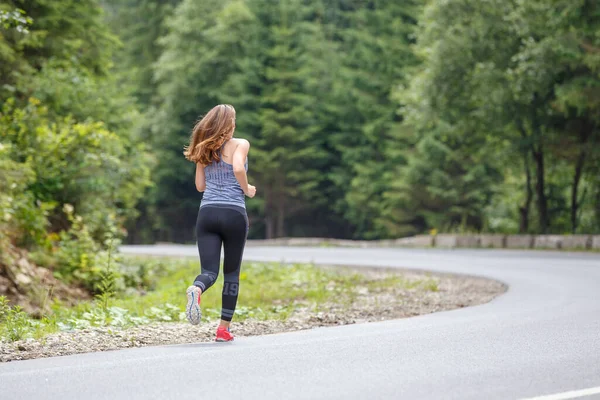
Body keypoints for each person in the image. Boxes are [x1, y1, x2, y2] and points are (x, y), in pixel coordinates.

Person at [182, 104, 256, 342]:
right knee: (231, 273)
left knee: (209, 272)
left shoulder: (203, 149)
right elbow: (237, 167)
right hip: (234, 213)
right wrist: (247, 189)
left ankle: (197, 289)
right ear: (229, 124)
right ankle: (223, 329)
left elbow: (200, 187)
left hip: (207, 214)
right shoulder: (240, 144)